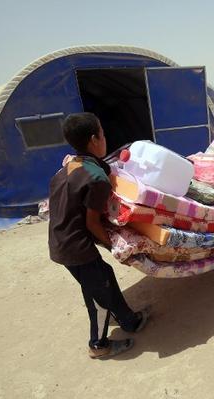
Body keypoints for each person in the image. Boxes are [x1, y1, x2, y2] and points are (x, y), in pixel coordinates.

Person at [48, 112, 149, 359]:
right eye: (102, 133)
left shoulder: (68, 167)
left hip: (61, 240)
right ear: (94, 139)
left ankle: (129, 321)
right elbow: (92, 223)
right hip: (75, 247)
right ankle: (98, 344)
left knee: (102, 279)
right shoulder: (96, 179)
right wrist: (113, 245)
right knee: (98, 295)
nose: (105, 138)